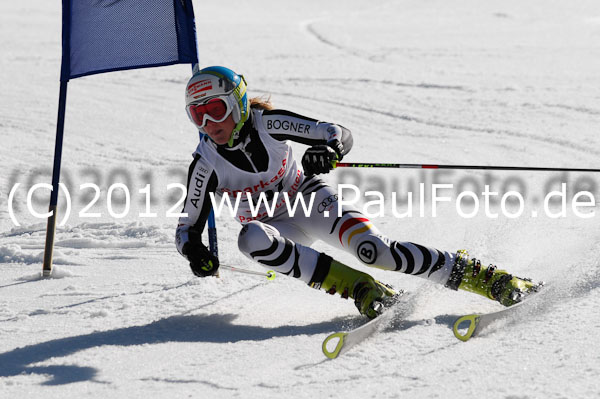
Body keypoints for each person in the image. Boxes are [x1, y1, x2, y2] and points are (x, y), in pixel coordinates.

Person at [175, 66, 540, 319]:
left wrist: (330, 150)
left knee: (376, 251)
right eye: (198, 115)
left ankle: (491, 279)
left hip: (308, 198)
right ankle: (363, 290)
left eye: (216, 110)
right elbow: (186, 228)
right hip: (272, 226)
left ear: (238, 102)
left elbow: (336, 131)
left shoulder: (267, 123)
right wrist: (195, 251)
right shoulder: (205, 164)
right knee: (250, 238)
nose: (210, 124)